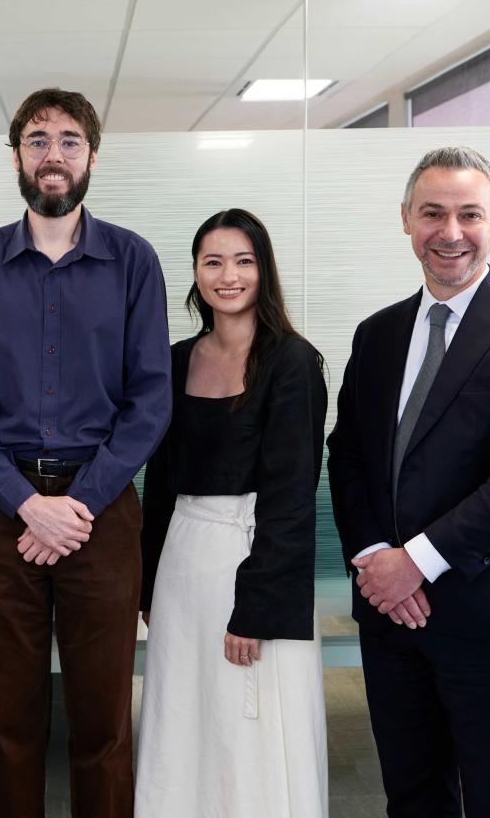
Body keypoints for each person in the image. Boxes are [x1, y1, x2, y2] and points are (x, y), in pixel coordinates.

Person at [0, 88, 171, 818]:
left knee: (102, 717)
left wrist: (80, 503)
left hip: (103, 517)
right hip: (5, 516)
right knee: (7, 717)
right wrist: (27, 502)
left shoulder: (133, 262)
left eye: (70, 140)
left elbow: (150, 399)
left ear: (92, 156)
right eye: (38, 140)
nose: (53, 155)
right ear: (16, 157)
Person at [327, 146, 490, 818]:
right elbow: (347, 455)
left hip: (488, 607)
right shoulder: (377, 333)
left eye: (469, 214)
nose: (450, 232)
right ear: (406, 220)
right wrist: (373, 561)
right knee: (412, 795)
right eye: (432, 213)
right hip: (391, 614)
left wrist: (414, 561)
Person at [137, 209, 329, 818]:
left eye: (244, 261)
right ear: (195, 274)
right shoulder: (171, 361)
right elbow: (159, 485)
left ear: (264, 271)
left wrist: (258, 608)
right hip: (181, 565)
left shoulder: (293, 362)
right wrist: (146, 586)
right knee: (183, 717)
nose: (228, 275)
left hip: (252, 565)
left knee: (249, 725)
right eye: (213, 261)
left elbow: (292, 497)